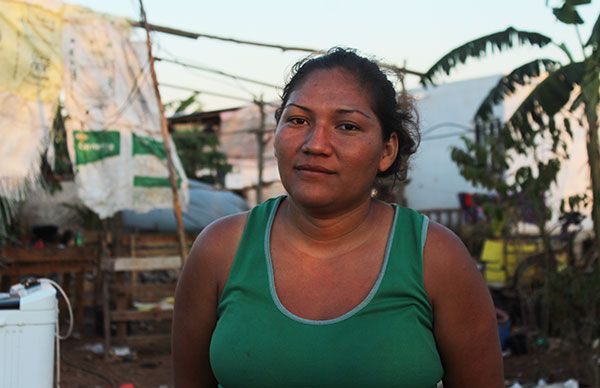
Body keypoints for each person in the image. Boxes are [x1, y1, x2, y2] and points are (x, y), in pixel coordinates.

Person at [172, 47, 504, 387]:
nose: (316, 144)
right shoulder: (220, 250)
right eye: (298, 120)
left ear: (387, 151)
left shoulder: (436, 258)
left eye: (347, 126)